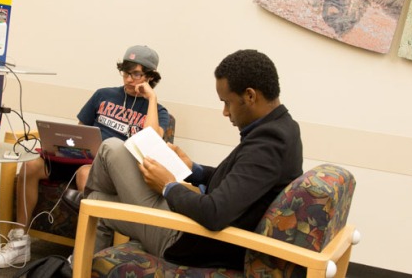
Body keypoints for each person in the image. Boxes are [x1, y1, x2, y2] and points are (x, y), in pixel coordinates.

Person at [82, 49, 303, 270]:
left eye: (227, 102)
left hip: (186, 242)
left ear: (250, 96)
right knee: (97, 201)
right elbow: (240, 181)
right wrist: (193, 169)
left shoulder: (269, 143)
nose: (225, 112)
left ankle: (77, 264)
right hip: (192, 229)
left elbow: (215, 212)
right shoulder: (283, 128)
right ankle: (79, 266)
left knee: (110, 149)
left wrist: (168, 185)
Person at [0, 45, 173, 268]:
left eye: (136, 74)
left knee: (85, 173)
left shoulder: (159, 112)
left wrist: (152, 99)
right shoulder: (103, 95)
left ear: (150, 76)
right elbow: (79, 131)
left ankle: (83, 250)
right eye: (126, 72)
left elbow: (152, 141)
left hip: (110, 171)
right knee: (30, 165)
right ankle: (19, 241)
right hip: (80, 156)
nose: (128, 79)